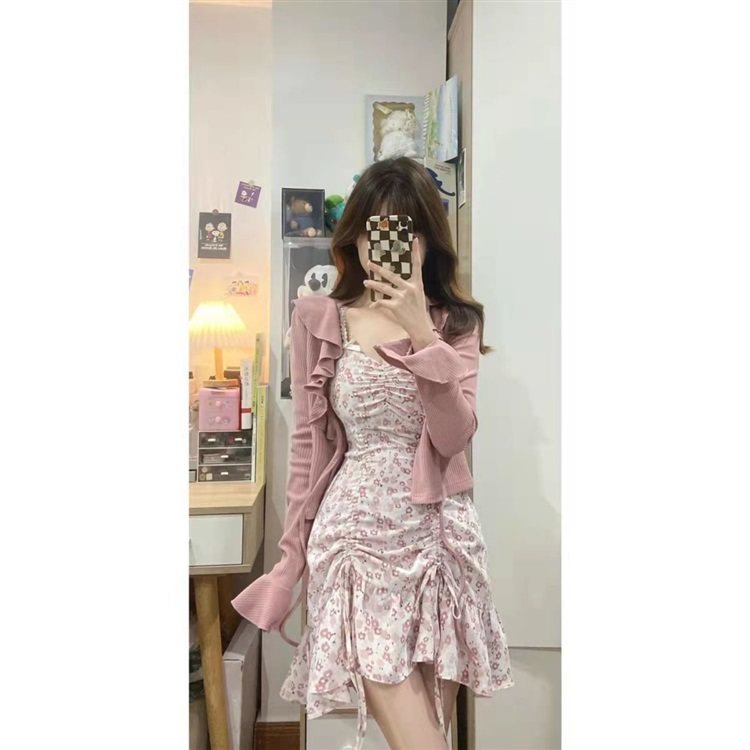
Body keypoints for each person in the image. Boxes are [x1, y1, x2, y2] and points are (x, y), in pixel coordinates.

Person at [233, 157, 513, 750]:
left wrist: (422, 334)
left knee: (431, 731)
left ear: (426, 243)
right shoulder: (319, 319)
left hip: (440, 544)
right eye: (372, 229)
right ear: (354, 237)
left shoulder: (455, 323)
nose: (382, 245)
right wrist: (290, 559)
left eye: (402, 231)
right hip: (355, 542)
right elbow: (307, 449)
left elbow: (454, 437)